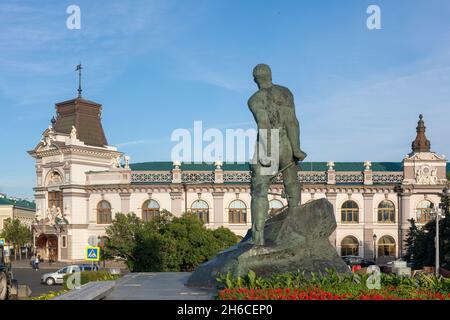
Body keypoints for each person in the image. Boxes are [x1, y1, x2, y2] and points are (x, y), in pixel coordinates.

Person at [248, 64, 307, 245]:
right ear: (271, 75)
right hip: (287, 144)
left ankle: (258, 237)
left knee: (259, 192)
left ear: (255, 79)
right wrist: (296, 149)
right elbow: (292, 121)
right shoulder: (285, 92)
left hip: (268, 143)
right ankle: (295, 233)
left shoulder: (254, 99)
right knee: (291, 183)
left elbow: (263, 124)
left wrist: (266, 152)